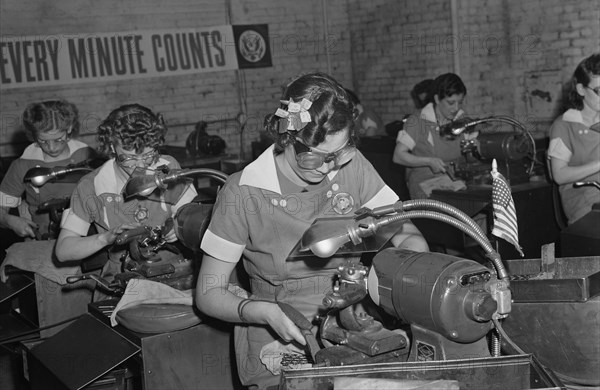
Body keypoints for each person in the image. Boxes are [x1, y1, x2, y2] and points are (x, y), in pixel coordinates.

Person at [195, 73, 428, 389]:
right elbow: (208, 293)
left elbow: (407, 234)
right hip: (279, 332)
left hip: (354, 321)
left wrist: (401, 277)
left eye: (339, 152)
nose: (330, 167)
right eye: (315, 157)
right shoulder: (244, 191)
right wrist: (261, 312)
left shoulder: (352, 166)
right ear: (287, 138)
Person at [55, 104, 197, 297]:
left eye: (148, 155)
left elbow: (192, 213)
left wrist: (179, 226)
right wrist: (105, 238)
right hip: (122, 275)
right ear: (112, 146)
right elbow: (63, 250)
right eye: (129, 158)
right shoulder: (92, 186)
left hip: (173, 266)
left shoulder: (166, 167)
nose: (140, 165)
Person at [0, 100, 97, 240]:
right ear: (34, 135)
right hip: (45, 238)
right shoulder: (23, 165)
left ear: (69, 128)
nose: (51, 148)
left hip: (88, 234)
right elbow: (2, 207)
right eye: (43, 141)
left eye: (58, 139)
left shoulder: (87, 155)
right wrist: (9, 221)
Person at [393, 73, 475, 199]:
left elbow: (471, 150)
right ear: (437, 99)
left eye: (460, 102)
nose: (456, 108)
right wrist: (429, 161)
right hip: (425, 183)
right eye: (451, 103)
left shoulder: (461, 119)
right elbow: (398, 156)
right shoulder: (418, 121)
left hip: (455, 180)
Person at [548, 53, 600, 225]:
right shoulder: (563, 126)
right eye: (599, 90)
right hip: (584, 199)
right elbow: (559, 175)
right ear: (580, 89)